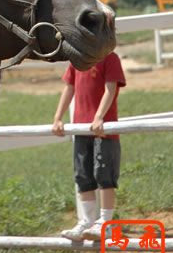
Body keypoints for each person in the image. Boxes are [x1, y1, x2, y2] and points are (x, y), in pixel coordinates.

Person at [52, 51, 126, 241]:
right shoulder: (77, 60)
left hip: (103, 129)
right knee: (83, 176)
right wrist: (58, 117)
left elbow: (111, 88)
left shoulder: (110, 58)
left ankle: (105, 223)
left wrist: (99, 116)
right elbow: (69, 87)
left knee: (104, 175)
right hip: (81, 128)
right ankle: (86, 221)